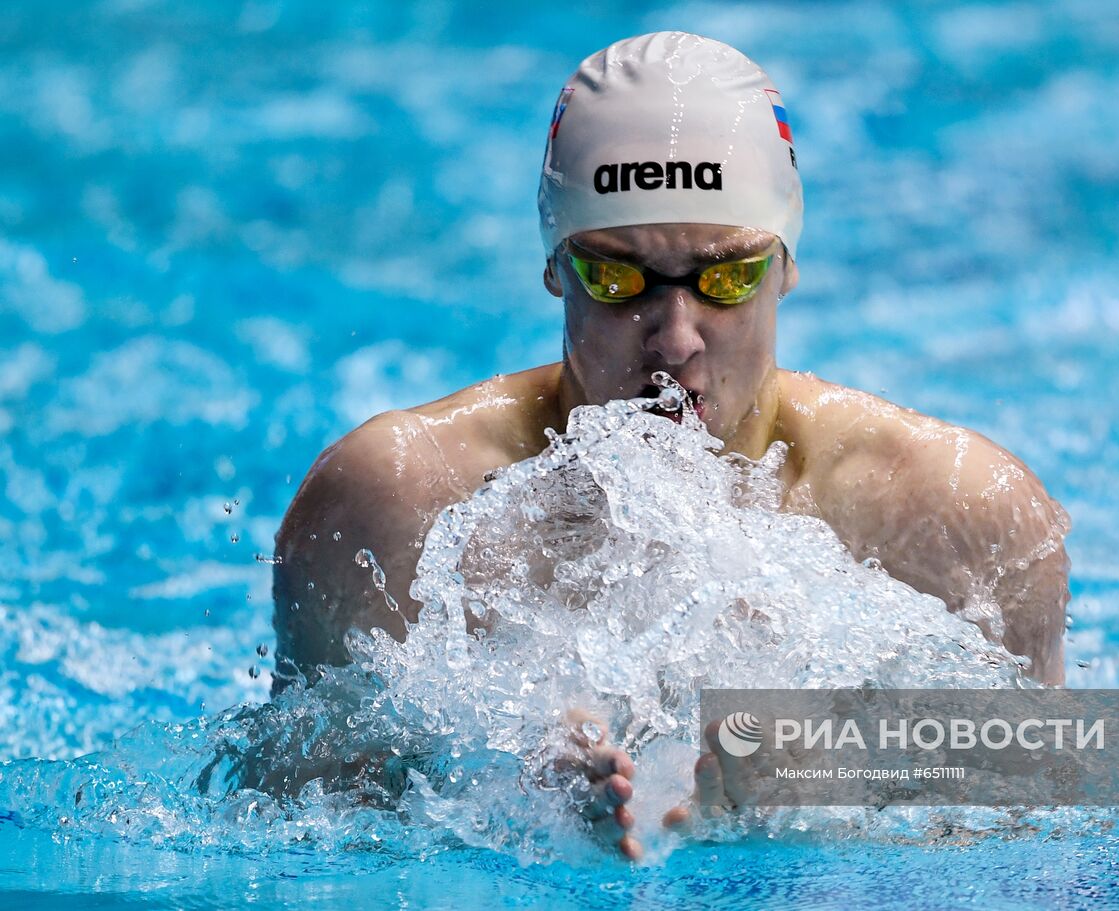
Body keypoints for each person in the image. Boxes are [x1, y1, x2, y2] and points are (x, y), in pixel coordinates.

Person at [271, 31, 1070, 860]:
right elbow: (288, 842)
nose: (675, 339)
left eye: (727, 278)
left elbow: (1040, 855)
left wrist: (824, 817)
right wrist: (498, 798)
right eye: (615, 279)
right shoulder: (389, 506)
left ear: (787, 264)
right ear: (554, 264)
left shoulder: (957, 515)